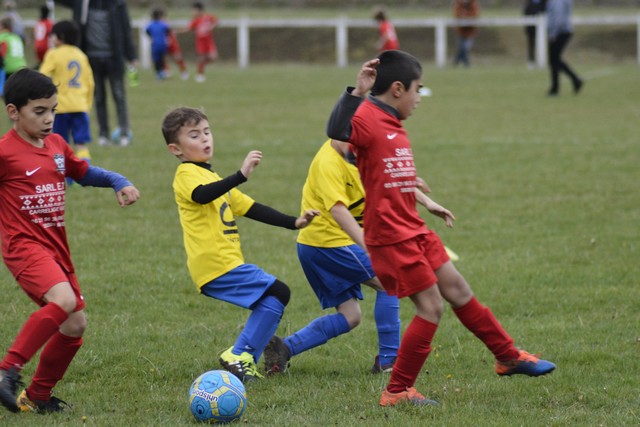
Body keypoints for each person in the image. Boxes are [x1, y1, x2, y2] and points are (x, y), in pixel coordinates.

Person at [326, 50, 556, 407]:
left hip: (413, 227)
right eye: (417, 89)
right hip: (391, 235)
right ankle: (397, 391)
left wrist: (422, 198)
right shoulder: (368, 115)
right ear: (398, 89)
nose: (419, 98)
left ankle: (507, 357)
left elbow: (383, 169)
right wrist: (357, 92)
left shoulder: (391, 119)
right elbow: (338, 137)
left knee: (458, 289)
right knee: (431, 307)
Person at [0, 68, 140, 414]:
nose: (49, 118)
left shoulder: (57, 145)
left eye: (53, 110)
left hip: (56, 249)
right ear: (13, 111)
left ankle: (38, 395)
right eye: (39, 111)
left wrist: (117, 180)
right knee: (63, 301)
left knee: (75, 325)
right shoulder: (5, 153)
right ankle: (7, 370)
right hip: (23, 247)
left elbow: (83, 172)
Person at [162, 107, 319, 383]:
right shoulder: (186, 174)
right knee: (278, 291)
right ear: (176, 149)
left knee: (272, 298)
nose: (205, 138)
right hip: (214, 263)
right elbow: (201, 196)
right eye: (194, 135)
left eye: (207, 132)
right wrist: (240, 175)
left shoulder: (211, 177)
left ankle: (243, 359)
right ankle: (239, 354)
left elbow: (251, 207)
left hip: (225, 262)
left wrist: (294, 222)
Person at [263, 138, 401, 376]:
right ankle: (389, 361)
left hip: (314, 245)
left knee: (350, 316)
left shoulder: (354, 149)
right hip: (329, 243)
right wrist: (367, 244)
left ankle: (285, 348)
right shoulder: (329, 161)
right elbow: (338, 210)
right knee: (388, 281)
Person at [56, 0, 138, 147]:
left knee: (119, 96)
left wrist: (131, 56)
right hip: (91, 59)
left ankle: (124, 133)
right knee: (99, 98)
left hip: (114, 59)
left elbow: (126, 29)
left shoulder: (118, 4)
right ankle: (103, 135)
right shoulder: (83, 3)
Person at [39, 20, 94, 164]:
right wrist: (87, 105)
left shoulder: (54, 54)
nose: (52, 39)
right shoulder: (81, 55)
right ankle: (85, 169)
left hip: (60, 107)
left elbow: (42, 77)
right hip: (80, 106)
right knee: (81, 144)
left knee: (60, 144)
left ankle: (63, 174)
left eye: (53, 36)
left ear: (61, 36)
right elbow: (90, 83)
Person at [546, 0, 583, 96]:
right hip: (563, 31)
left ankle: (555, 89)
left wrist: (553, 34)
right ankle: (575, 80)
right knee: (555, 60)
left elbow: (558, 17)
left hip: (560, 32)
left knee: (554, 60)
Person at [184, 2, 218, 83]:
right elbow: (189, 28)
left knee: (213, 57)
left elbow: (216, 21)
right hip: (200, 42)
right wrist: (178, 31)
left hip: (209, 41)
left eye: (194, 10)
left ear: (199, 10)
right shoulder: (195, 20)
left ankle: (201, 66)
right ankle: (199, 75)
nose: (193, 12)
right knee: (201, 58)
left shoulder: (208, 17)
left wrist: (211, 27)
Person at [145, 7, 171, 80]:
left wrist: (152, 37)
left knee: (156, 60)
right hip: (163, 44)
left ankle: (158, 73)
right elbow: (168, 31)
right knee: (162, 59)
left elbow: (147, 31)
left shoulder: (151, 25)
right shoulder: (163, 24)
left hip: (155, 45)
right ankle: (162, 72)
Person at [453, 0, 480, 67]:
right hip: (460, 31)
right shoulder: (458, 5)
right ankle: (465, 64)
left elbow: (475, 16)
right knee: (462, 48)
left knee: (464, 49)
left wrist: (465, 16)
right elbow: (457, 16)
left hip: (470, 32)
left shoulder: (473, 5)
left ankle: (457, 63)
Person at [523, 0, 545, 69]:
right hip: (531, 29)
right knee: (531, 44)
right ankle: (531, 61)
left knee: (544, 44)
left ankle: (543, 61)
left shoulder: (543, 3)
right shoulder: (529, 4)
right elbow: (526, 15)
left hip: (543, 29)